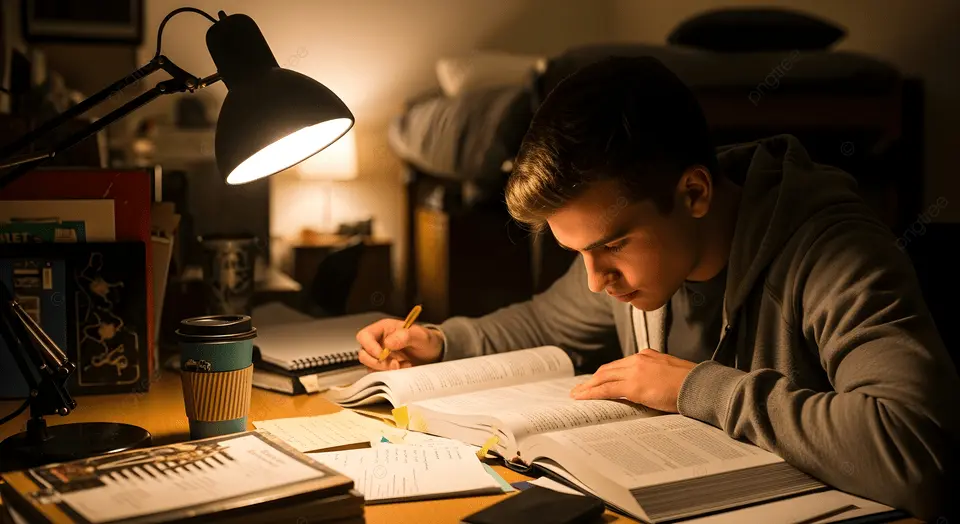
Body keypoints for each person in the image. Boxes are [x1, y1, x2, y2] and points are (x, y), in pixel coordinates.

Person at [356, 56, 960, 519]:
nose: (595, 281)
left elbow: (915, 448)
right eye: (577, 253)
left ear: (694, 193)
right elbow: (546, 322)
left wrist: (696, 388)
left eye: (611, 246)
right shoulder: (637, 249)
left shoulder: (834, 250)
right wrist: (439, 340)